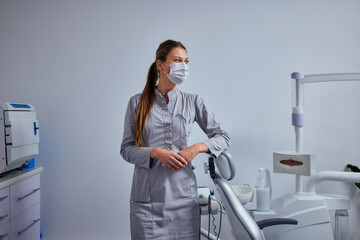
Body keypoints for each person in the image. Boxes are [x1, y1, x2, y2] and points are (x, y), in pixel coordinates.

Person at [120, 39, 230, 240]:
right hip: (147, 202)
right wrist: (155, 152)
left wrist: (197, 147)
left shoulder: (193, 101)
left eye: (186, 61)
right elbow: (126, 149)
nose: (184, 66)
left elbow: (223, 137)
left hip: (183, 200)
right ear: (161, 65)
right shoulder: (137, 103)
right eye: (178, 60)